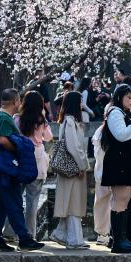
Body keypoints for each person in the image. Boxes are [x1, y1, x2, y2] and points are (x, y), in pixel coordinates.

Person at [0, 89, 44, 251]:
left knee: (0, 204)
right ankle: (24, 238)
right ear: (15, 101)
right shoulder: (4, 118)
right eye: (19, 101)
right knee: (14, 202)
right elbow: (3, 140)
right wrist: (20, 149)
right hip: (5, 168)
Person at [101, 84, 131, 253]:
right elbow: (121, 135)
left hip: (126, 162)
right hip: (118, 162)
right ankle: (118, 241)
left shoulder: (125, 113)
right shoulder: (115, 112)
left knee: (124, 201)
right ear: (119, 97)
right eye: (128, 97)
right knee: (120, 201)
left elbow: (130, 134)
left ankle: (122, 238)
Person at [50, 91, 91, 249]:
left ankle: (61, 234)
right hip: (73, 168)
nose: (82, 104)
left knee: (70, 202)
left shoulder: (69, 121)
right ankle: (74, 240)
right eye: (80, 101)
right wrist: (82, 165)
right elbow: (73, 146)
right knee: (73, 203)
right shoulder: (70, 122)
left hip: (69, 168)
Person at [15, 90, 53, 239]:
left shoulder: (17, 119)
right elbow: (49, 137)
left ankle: (10, 232)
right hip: (37, 159)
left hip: (21, 157)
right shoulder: (41, 120)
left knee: (16, 198)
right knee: (32, 201)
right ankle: (29, 234)